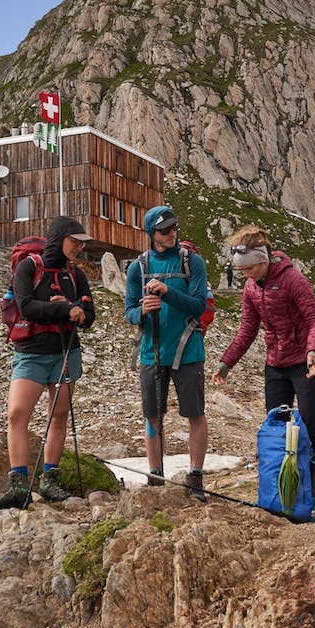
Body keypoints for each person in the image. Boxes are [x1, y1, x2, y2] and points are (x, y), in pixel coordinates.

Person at [211, 226, 315, 517]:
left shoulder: (292, 280)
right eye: (242, 268)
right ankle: (283, 495)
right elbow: (247, 330)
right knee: (277, 431)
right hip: (275, 365)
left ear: (263, 259)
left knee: (311, 427)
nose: (245, 273)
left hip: (303, 363)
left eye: (249, 267)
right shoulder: (250, 287)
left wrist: (313, 352)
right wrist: (226, 363)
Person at [0, 216, 96, 511]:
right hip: (31, 352)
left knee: (58, 417)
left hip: (66, 353)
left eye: (82, 244)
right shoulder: (29, 267)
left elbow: (90, 315)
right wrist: (61, 308)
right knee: (17, 414)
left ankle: (49, 479)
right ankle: (18, 484)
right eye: (75, 242)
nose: (79, 248)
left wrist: (77, 312)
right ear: (59, 238)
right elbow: (26, 307)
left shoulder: (76, 274)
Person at [125, 205, 211, 501]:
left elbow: (199, 305)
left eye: (173, 228)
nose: (172, 234)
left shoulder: (193, 262)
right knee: (153, 416)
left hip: (188, 350)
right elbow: (128, 311)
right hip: (151, 352)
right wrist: (141, 312)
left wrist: (166, 292)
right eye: (164, 231)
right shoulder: (137, 267)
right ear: (152, 234)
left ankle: (195, 477)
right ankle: (155, 476)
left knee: (195, 414)